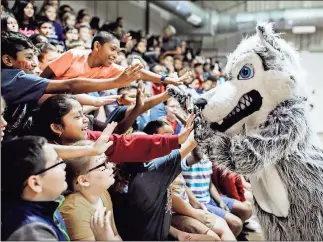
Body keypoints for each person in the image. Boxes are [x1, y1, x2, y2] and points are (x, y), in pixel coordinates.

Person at [1, 31, 142, 138]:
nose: (34, 64)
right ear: (7, 60)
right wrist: (115, 82)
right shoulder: (15, 79)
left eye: (35, 58)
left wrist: (95, 101)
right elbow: (69, 86)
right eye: (29, 57)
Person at [1, 124, 120, 241]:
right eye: (57, 162)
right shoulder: (33, 234)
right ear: (35, 183)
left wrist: (91, 150)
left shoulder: (48, 203)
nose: (64, 165)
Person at [31, 94, 194, 164]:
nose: (86, 119)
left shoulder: (90, 136)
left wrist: (176, 140)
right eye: (77, 117)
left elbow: (125, 142)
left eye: (84, 113)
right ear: (56, 127)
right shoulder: (38, 151)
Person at [41, 31, 190, 87]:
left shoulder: (110, 68)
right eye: (112, 49)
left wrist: (167, 79)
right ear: (97, 46)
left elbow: (139, 73)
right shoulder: (73, 55)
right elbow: (44, 76)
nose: (115, 55)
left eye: (118, 51)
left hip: (66, 103)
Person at [59, 140, 122, 241]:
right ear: (84, 180)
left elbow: (115, 236)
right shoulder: (74, 211)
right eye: (103, 164)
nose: (111, 166)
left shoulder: (102, 193)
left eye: (108, 161)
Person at [182, 158, 253, 237]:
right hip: (198, 202)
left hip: (209, 197)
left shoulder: (205, 157)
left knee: (246, 210)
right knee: (236, 224)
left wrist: (220, 202)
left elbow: (210, 184)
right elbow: (181, 184)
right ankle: (226, 234)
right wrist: (196, 204)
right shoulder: (185, 157)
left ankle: (231, 234)